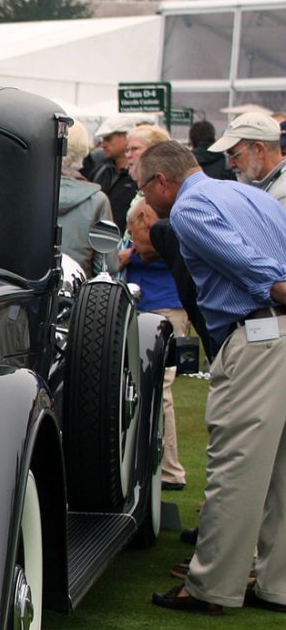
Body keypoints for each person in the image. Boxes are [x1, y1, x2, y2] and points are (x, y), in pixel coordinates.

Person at [137, 140, 286, 615]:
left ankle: (210, 587)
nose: (142, 198)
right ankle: (277, 585)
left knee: (235, 468)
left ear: (162, 181)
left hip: (259, 333)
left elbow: (249, 267)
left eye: (142, 187)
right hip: (273, 329)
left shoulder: (189, 210)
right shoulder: (254, 195)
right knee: (283, 470)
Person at [123, 201, 189, 490]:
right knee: (147, 389)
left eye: (135, 231)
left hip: (166, 309)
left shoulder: (169, 227)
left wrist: (130, 256)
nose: (134, 238)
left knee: (160, 390)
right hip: (148, 308)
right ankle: (153, 465)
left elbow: (159, 253)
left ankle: (171, 470)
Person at [56, 121, 113, 276]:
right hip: (78, 292)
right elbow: (106, 266)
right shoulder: (98, 200)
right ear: (84, 150)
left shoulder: (28, 195)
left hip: (29, 292)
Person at [208, 111, 286, 206]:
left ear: (259, 150)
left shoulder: (281, 197)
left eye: (234, 155)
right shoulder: (271, 187)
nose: (231, 164)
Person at [90, 115, 138, 231]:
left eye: (108, 139)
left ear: (127, 137)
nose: (103, 145)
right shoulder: (99, 172)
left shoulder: (141, 177)